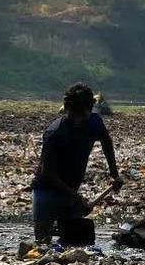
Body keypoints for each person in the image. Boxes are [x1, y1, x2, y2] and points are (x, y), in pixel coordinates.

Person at [31, 83, 122, 246]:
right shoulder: (55, 133)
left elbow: (106, 141)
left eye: (82, 115)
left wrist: (114, 174)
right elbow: (48, 173)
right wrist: (76, 197)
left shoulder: (95, 123)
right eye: (73, 114)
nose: (77, 120)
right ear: (66, 109)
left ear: (90, 108)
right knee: (41, 242)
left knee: (75, 241)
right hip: (47, 190)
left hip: (71, 187)